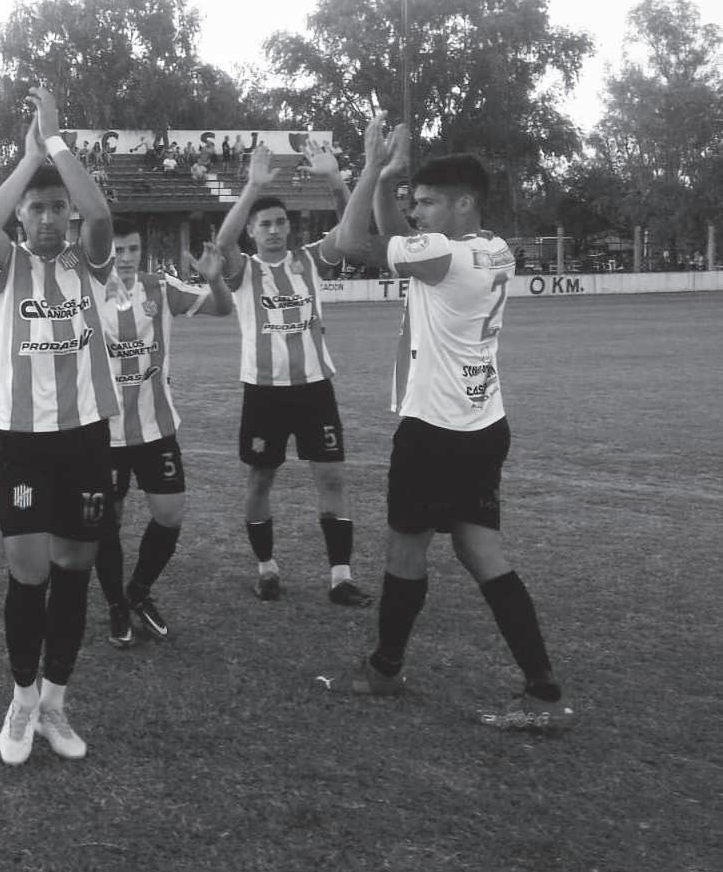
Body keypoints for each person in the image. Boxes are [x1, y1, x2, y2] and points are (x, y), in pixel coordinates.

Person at [323, 115, 574, 729]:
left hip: (433, 430)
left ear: (464, 204)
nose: (417, 214)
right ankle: (544, 691)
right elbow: (396, 236)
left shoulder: (443, 255)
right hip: (484, 424)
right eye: (416, 203)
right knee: (480, 549)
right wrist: (390, 182)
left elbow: (349, 242)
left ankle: (385, 670)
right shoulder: (493, 248)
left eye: (428, 203)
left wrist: (366, 169)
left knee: (406, 549)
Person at [0, 86, 118, 765]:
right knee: (28, 572)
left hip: (86, 435)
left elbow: (101, 213)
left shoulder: (89, 262)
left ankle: (56, 700)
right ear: (23, 217)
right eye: (38, 208)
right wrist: (30, 160)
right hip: (23, 440)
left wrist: (56, 144)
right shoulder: (9, 265)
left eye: (59, 207)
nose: (51, 217)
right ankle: (22, 696)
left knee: (75, 568)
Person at [211, 136, 372, 607]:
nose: (275, 230)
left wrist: (335, 180)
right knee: (261, 480)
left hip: (315, 389)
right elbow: (222, 243)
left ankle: (340, 577)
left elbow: (353, 231)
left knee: (332, 478)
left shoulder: (309, 261)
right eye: (265, 224)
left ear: (290, 227)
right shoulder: (243, 271)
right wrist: (252, 187)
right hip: (264, 392)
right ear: (253, 231)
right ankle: (266, 568)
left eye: (281, 222)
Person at [95, 227, 234, 648]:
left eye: (133, 248)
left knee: (170, 515)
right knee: (107, 524)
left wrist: (214, 279)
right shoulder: (89, 290)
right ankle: (116, 606)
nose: (126, 257)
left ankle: (138, 591)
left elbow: (223, 308)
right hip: (104, 432)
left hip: (156, 428)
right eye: (118, 250)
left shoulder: (161, 287)